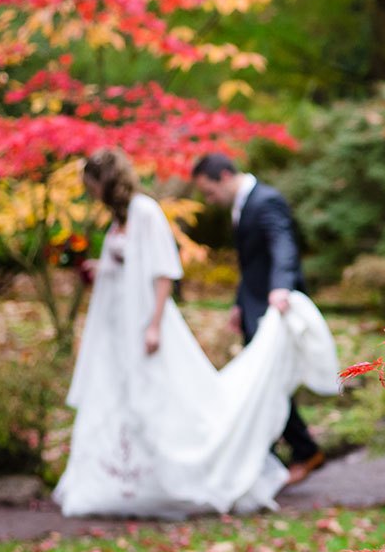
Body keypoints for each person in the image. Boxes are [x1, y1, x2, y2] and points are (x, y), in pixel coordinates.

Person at [54, 148, 339, 518]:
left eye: (91, 185)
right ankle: (126, 479)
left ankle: (279, 455)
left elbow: (164, 270)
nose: (89, 193)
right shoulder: (119, 218)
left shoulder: (148, 211)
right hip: (118, 325)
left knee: (167, 396)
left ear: (105, 182)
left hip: (148, 321)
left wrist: (154, 325)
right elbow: (246, 264)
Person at [191, 153, 325, 485]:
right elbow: (250, 263)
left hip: (273, 308)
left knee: (270, 381)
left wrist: (281, 287)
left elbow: (283, 246)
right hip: (253, 307)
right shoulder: (242, 205)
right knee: (265, 381)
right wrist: (239, 304)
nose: (210, 200)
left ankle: (302, 451)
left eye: (209, 191)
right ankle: (279, 454)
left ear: (224, 175)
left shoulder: (266, 200)